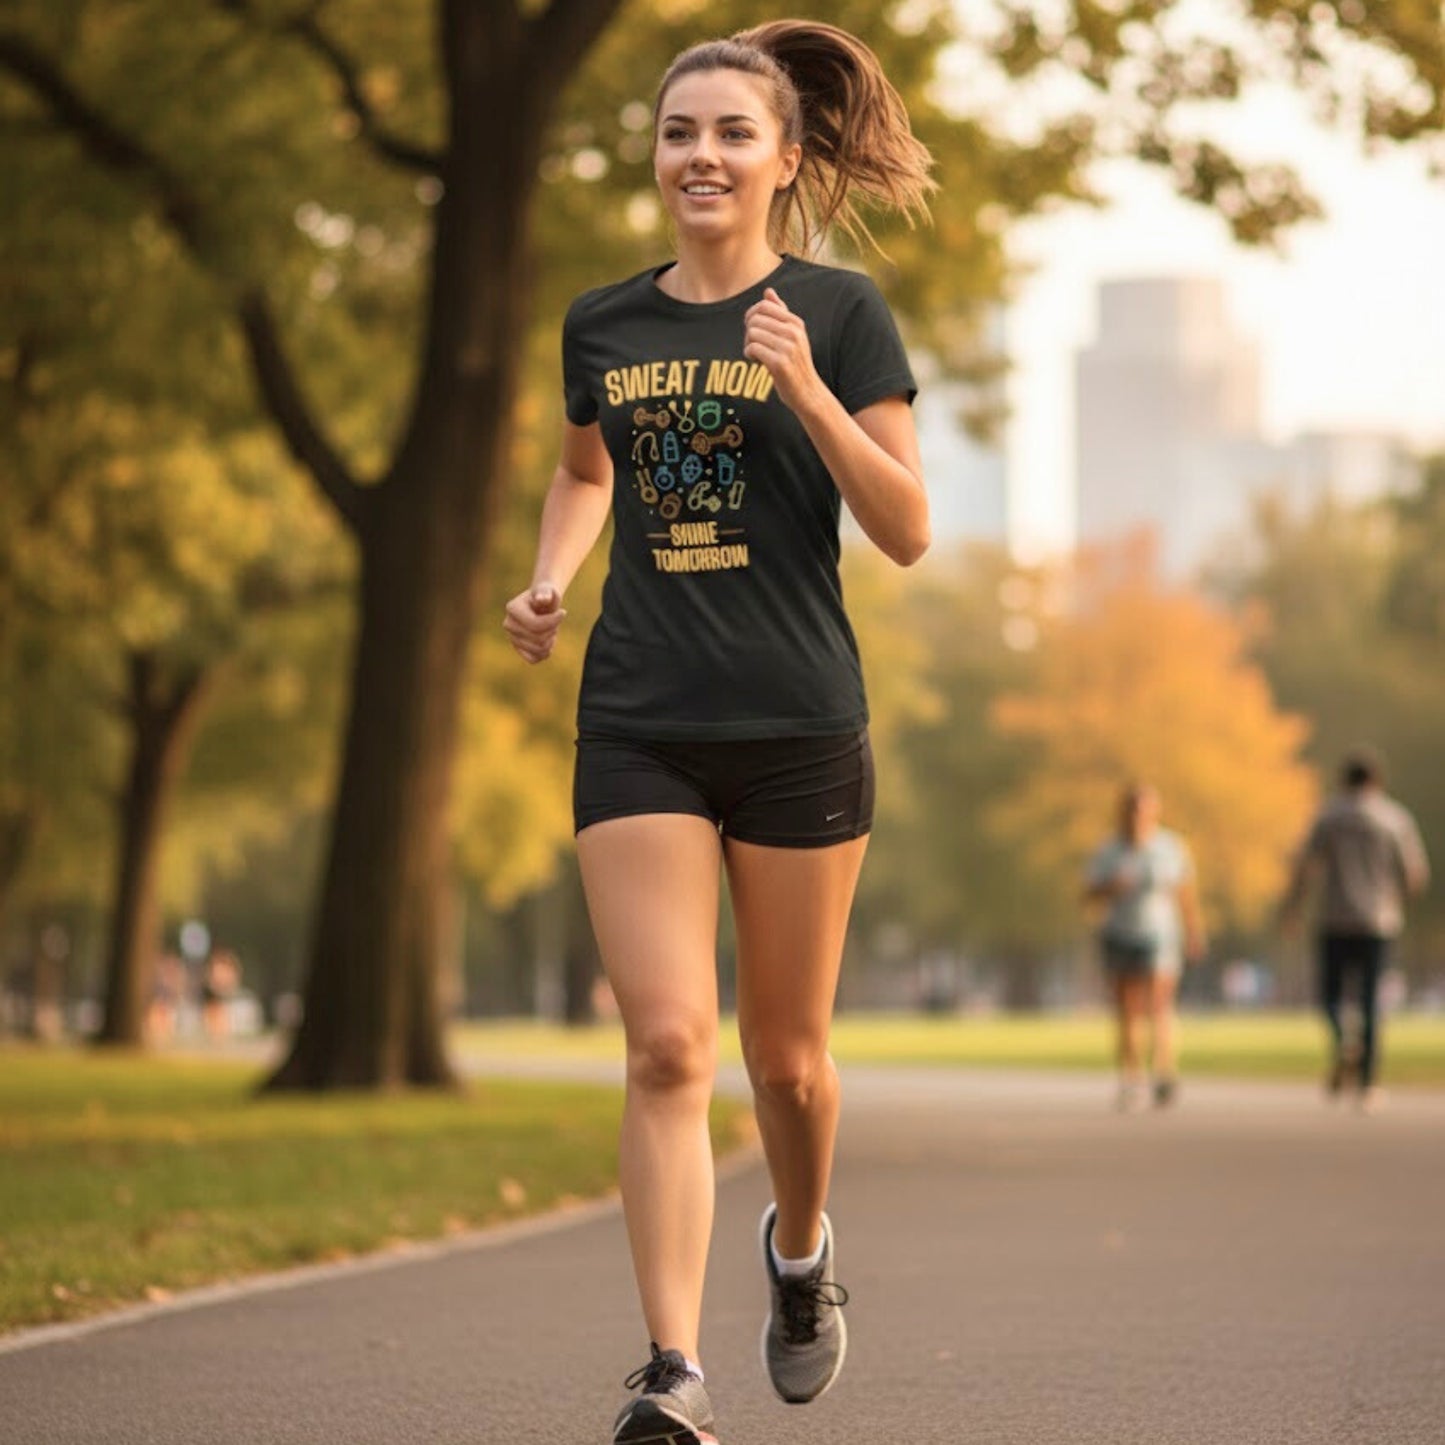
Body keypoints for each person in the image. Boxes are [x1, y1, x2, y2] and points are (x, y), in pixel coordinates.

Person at [504, 20, 933, 1444]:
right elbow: (585, 470)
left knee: (787, 1062)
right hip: (639, 720)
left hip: (799, 722)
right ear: (656, 153)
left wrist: (804, 385)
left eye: (731, 134)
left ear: (783, 159)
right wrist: (556, 568)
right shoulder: (603, 325)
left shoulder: (843, 311)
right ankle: (672, 1367)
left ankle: (800, 1260)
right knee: (668, 1047)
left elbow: (910, 528)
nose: (702, 155)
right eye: (680, 132)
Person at [1279, 748, 1430, 1111]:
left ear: (1344, 779)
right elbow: (1415, 875)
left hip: (1335, 917)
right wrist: (1397, 900)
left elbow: (1306, 865)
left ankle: (1344, 1039)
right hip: (1379, 920)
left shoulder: (1329, 817)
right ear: (1377, 780)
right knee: (1369, 1000)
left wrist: (1293, 908)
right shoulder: (1395, 819)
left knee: (1331, 994)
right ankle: (1367, 1082)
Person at [1083, 783, 1206, 1112]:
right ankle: (1130, 1076)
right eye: (1133, 809)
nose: (1138, 816)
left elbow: (1185, 894)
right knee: (1127, 1011)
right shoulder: (1108, 850)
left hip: (1160, 934)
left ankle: (1164, 1070)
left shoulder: (1169, 847)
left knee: (1160, 1006)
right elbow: (1088, 894)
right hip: (1119, 933)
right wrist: (1112, 887)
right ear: (1122, 812)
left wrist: (1194, 931)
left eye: (1145, 809)